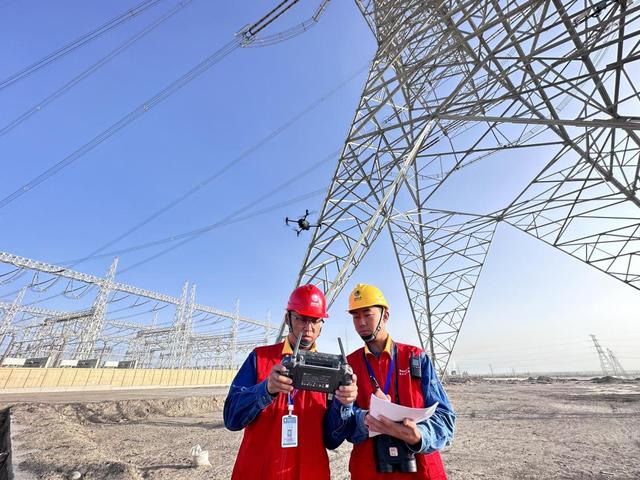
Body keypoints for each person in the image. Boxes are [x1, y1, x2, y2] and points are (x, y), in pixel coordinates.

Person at [224, 284, 357, 479]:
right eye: (301, 318)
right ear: (288, 318)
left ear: (322, 323)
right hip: (259, 472)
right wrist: (265, 390)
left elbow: (332, 440)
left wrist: (344, 405)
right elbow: (231, 419)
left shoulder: (332, 371)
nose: (308, 328)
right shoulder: (259, 358)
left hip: (310, 473)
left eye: (315, 320)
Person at [324, 283, 456, 479]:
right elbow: (336, 433)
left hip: (422, 472)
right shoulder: (348, 365)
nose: (361, 322)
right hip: (369, 472)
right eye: (355, 316)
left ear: (385, 315)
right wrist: (362, 418)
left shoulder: (416, 358)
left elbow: (446, 418)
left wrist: (418, 435)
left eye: (367, 314)